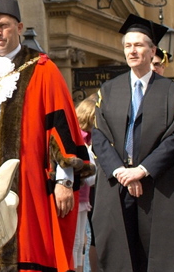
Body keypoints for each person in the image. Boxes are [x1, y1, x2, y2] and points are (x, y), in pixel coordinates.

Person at [0, 0, 91, 272]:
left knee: (31, 251)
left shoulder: (43, 69)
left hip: (31, 186)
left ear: (19, 27)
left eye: (4, 25)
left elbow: (61, 129)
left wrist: (64, 181)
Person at [92, 14, 174, 271]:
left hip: (158, 186)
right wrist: (121, 171)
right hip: (117, 185)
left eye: (138, 45)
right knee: (120, 255)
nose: (132, 51)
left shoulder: (172, 92)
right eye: (127, 46)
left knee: (157, 256)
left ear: (152, 50)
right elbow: (99, 135)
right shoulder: (108, 90)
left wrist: (142, 170)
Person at [73, 94, 97, 272]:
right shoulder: (80, 140)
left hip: (84, 196)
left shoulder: (88, 139)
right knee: (77, 241)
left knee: (81, 241)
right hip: (77, 195)